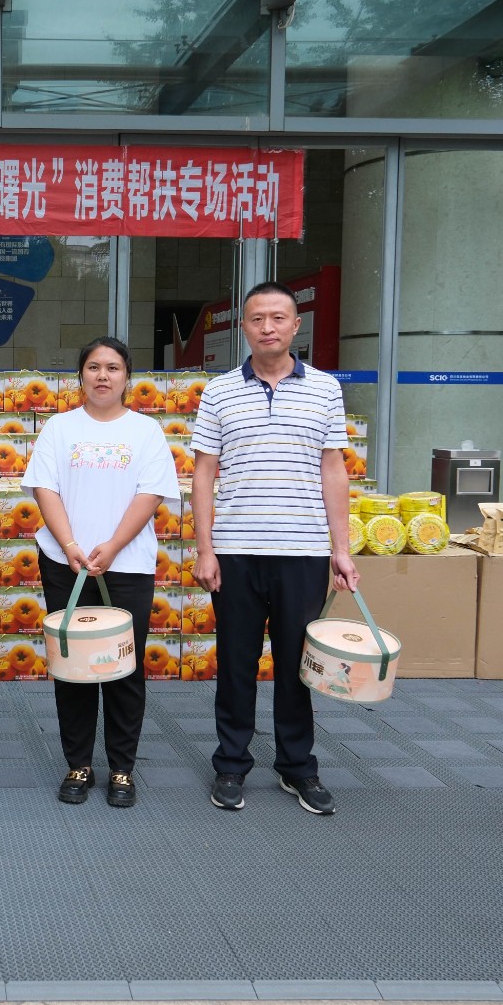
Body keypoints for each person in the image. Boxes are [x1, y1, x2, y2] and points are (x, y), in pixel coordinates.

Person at [190, 281, 358, 816]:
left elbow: (333, 470)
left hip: (303, 550)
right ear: (244, 327)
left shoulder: (325, 389)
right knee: (236, 663)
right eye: (258, 318)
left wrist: (341, 549)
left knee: (296, 665)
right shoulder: (219, 392)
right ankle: (231, 764)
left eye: (278, 318)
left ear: (295, 325)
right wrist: (205, 549)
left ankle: (297, 767)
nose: (268, 327)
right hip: (235, 550)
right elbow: (203, 474)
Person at [23, 336, 181, 808]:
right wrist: (70, 545)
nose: (103, 376)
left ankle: (121, 768)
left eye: (113, 367)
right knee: (72, 667)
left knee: (123, 669)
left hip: (126, 566)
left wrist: (112, 546)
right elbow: (45, 488)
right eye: (93, 367)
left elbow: (150, 494)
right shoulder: (59, 428)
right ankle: (78, 763)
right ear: (81, 376)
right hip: (65, 564)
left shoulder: (146, 431)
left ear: (127, 377)